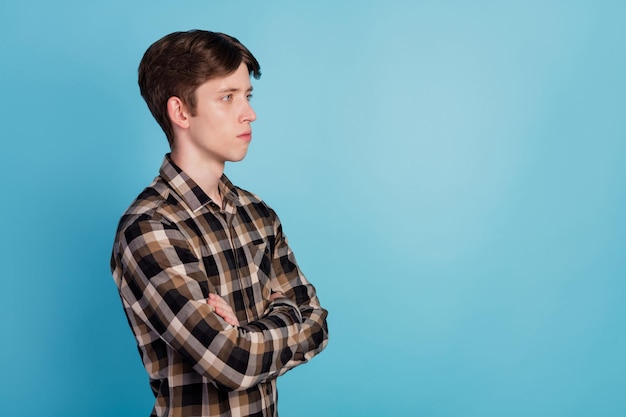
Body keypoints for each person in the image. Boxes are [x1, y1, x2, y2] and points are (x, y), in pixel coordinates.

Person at [110, 30, 329, 417]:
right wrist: (280, 316)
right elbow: (231, 361)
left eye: (247, 96)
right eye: (227, 97)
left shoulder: (258, 213)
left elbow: (318, 325)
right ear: (181, 112)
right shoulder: (149, 228)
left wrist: (249, 330)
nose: (249, 113)